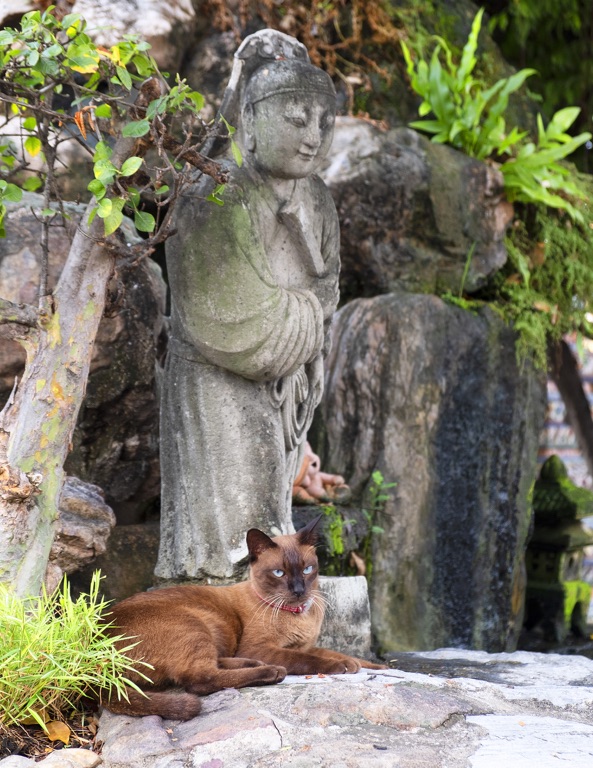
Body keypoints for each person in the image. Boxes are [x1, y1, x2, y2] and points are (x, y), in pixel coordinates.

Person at [155, 31, 340, 583]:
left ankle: (275, 604)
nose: (312, 137)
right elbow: (230, 318)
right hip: (220, 372)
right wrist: (308, 311)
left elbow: (330, 285)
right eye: (296, 118)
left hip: (287, 380)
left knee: (271, 505)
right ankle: (217, 587)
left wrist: (309, 310)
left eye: (322, 122)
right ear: (253, 122)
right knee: (240, 521)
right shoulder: (216, 192)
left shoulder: (319, 199)